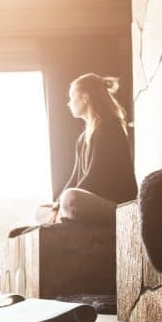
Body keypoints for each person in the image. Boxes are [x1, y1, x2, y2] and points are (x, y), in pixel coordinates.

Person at [35, 73, 138, 225]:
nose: (69, 103)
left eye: (72, 97)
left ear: (85, 97)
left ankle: (60, 218)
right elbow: (74, 178)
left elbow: (95, 177)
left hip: (116, 206)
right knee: (40, 211)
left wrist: (63, 202)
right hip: (90, 202)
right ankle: (60, 216)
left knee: (71, 199)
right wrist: (57, 204)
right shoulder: (82, 139)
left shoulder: (110, 128)